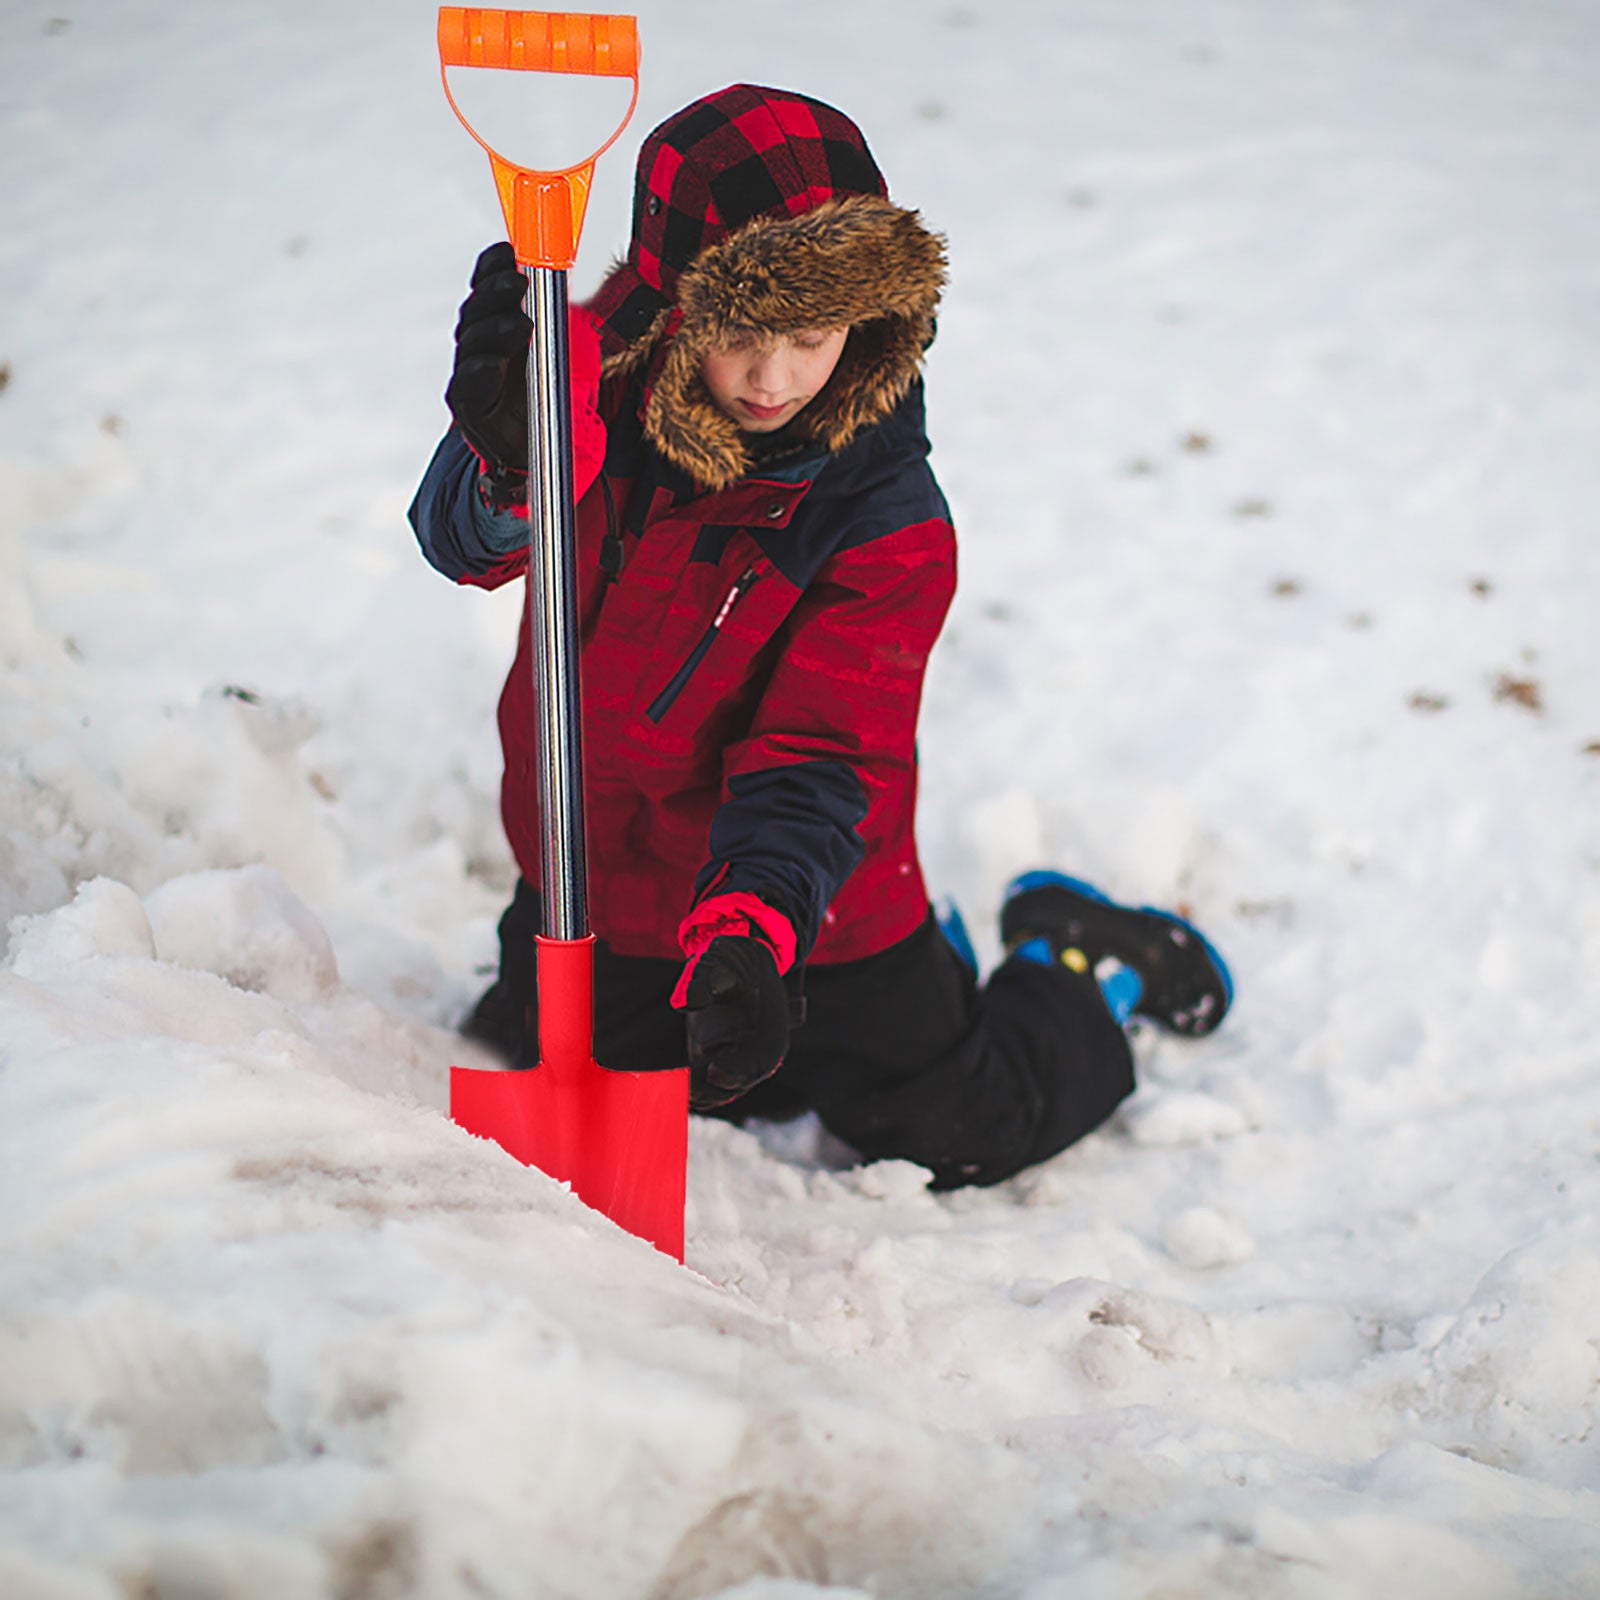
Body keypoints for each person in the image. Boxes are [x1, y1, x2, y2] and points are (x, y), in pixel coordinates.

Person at [409, 84, 1232, 1190]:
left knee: (957, 1127)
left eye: (811, 335)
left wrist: (752, 925)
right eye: (740, 334)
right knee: (536, 1064)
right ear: (674, 306)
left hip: (807, 900)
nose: (775, 378)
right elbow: (466, 546)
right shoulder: (577, 389)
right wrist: (509, 460)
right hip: (590, 893)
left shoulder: (884, 514)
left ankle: (1081, 961)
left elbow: (823, 751)